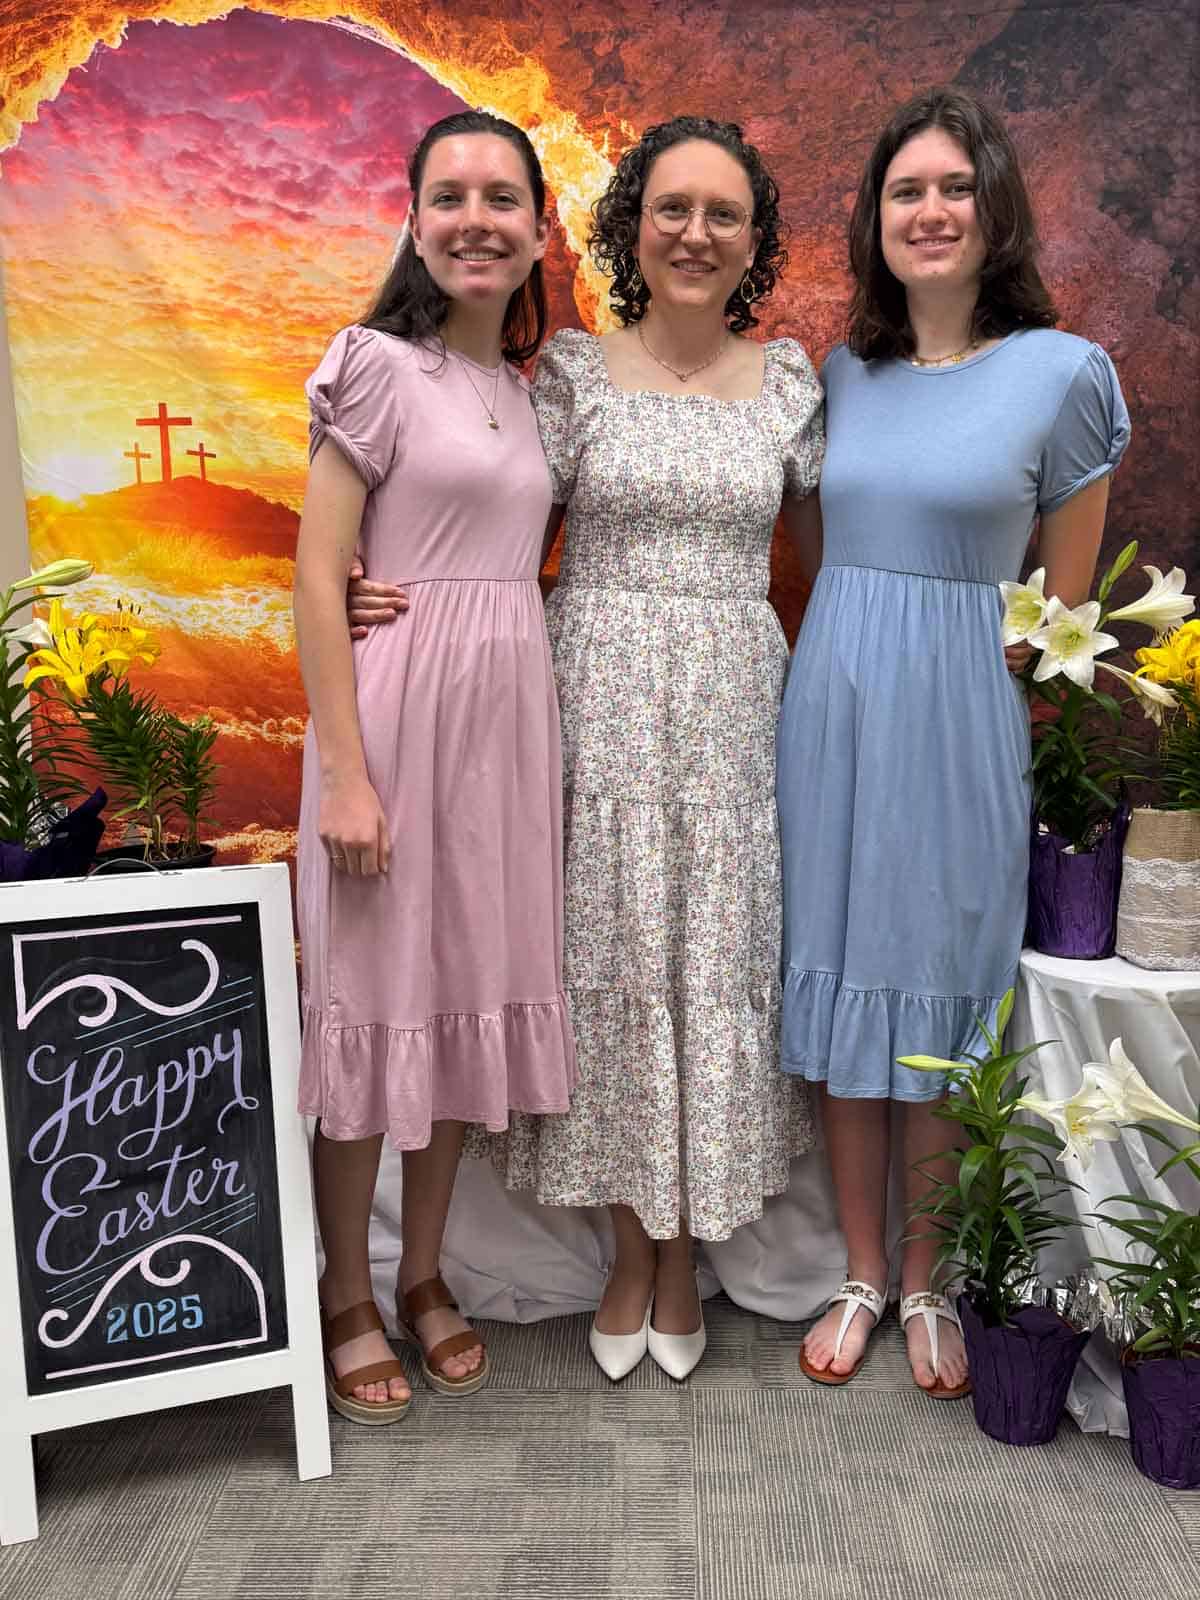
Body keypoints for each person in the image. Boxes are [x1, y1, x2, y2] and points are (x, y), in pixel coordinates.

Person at [776, 86, 1130, 1397]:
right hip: (834, 701)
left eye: (951, 186)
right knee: (843, 967)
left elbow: (1067, 609)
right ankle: (861, 1271)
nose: (928, 211)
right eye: (903, 191)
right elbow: (814, 555)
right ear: (874, 221)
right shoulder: (839, 378)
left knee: (934, 987)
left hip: (962, 716)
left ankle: (929, 1283)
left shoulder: (1063, 373)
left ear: (995, 210)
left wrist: (980, 652)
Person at [294, 110, 575, 1423]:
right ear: (414, 218)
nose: (479, 217)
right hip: (395, 736)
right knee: (373, 1000)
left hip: (502, 740)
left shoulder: (527, 393)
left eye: (504, 198)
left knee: (457, 997)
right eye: (451, 194)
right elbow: (315, 569)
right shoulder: (372, 365)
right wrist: (346, 776)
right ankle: (348, 1285)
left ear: (537, 231)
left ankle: (424, 1274)